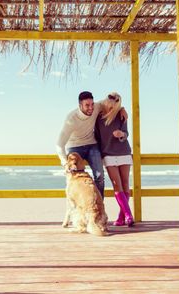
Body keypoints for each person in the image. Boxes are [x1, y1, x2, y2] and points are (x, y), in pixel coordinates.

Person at [56, 91, 126, 199]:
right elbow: (59, 144)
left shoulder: (97, 107)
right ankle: (80, 203)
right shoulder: (71, 119)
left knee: (100, 176)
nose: (91, 108)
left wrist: (122, 109)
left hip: (91, 145)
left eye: (92, 104)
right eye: (87, 105)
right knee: (74, 175)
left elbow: (112, 103)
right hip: (75, 147)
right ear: (80, 105)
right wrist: (65, 163)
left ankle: (99, 206)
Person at [94, 92, 134, 227]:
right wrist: (99, 154)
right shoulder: (98, 117)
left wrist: (121, 134)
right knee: (117, 184)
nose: (114, 103)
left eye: (117, 101)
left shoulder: (121, 115)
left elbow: (126, 133)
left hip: (124, 152)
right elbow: (97, 138)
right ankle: (128, 214)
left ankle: (123, 216)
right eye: (112, 99)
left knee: (125, 183)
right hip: (108, 154)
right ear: (107, 100)